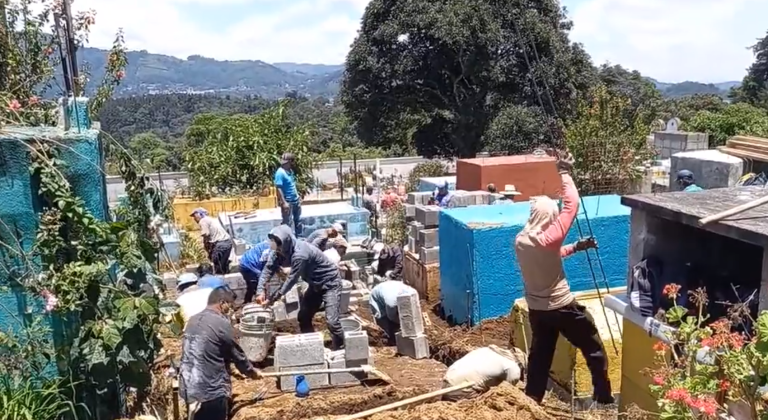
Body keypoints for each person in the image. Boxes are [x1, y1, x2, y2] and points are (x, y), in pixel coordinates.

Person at [514, 149, 613, 406]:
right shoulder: (551, 236)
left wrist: (576, 247)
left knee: (540, 357)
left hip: (538, 310)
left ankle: (532, 399)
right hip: (562, 307)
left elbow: (551, 254)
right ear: (550, 216)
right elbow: (572, 205)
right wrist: (565, 172)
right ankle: (603, 397)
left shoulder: (523, 240)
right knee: (594, 350)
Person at [255, 225, 345, 349]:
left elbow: (292, 279)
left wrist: (272, 299)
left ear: (286, 242)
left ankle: (341, 348)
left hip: (330, 283)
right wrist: (260, 291)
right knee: (303, 317)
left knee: (332, 321)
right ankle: (313, 346)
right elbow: (268, 269)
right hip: (315, 285)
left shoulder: (300, 254)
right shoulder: (279, 252)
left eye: (280, 247)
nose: (278, 251)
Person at [179, 286, 261, 420]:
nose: (230, 310)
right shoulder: (221, 323)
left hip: (189, 386)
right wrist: (252, 372)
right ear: (222, 303)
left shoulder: (193, 320)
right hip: (210, 392)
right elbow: (236, 354)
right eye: (230, 305)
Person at [441, 345, 526, 401]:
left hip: (446, 384)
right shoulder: (513, 367)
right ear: (520, 364)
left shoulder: (486, 350)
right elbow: (507, 393)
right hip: (462, 389)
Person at [369, 280, 417, 345]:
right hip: (377, 297)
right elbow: (391, 316)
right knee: (383, 319)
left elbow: (415, 307)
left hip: (390, 288)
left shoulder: (413, 292)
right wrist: (402, 323)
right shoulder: (391, 302)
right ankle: (388, 340)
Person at [191, 208, 233, 275]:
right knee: (223, 265)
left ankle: (217, 281)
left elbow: (205, 234)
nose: (194, 219)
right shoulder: (212, 219)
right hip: (228, 243)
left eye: (195, 216)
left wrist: (206, 246)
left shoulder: (203, 221)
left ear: (200, 214)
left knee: (216, 266)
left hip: (220, 244)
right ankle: (225, 279)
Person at [274, 153, 302, 234]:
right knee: (287, 223)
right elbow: (279, 188)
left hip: (295, 201)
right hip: (288, 201)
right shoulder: (280, 173)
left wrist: (298, 196)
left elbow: (292, 185)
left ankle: (299, 238)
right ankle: (287, 242)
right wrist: (284, 202)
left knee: (298, 221)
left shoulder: (290, 171)